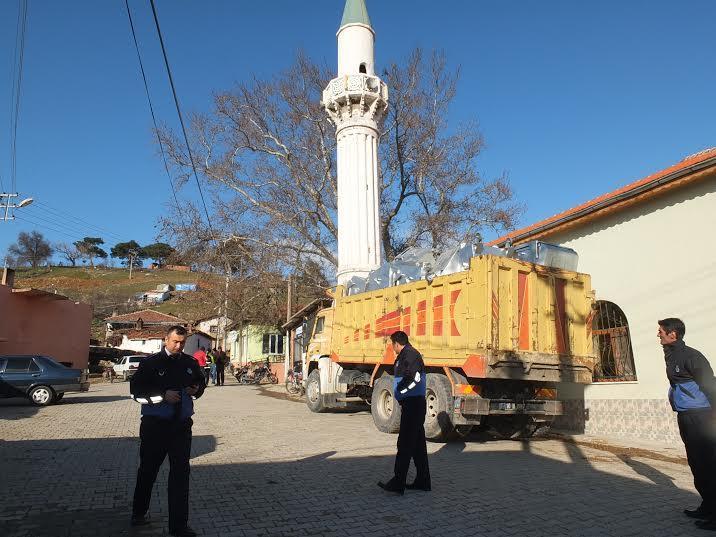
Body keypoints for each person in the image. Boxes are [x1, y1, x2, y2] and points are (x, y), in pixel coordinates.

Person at [130, 325, 205, 537]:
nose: (179, 346)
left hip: (181, 428)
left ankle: (179, 526)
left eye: (182, 342)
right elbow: (136, 393)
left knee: (180, 475)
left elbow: (200, 383)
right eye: (175, 342)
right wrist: (163, 395)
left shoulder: (190, 363)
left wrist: (196, 389)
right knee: (148, 471)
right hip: (155, 427)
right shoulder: (150, 363)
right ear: (166, 340)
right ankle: (139, 512)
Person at [659, 318, 716, 529]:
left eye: (661, 331)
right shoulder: (672, 355)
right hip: (686, 416)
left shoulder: (691, 356)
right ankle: (708, 506)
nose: (659, 335)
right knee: (696, 464)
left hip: (701, 417)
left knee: (709, 465)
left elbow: (710, 385)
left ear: (672, 334)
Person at [378, 331, 431, 495]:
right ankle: (423, 481)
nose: (392, 348)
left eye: (391, 345)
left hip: (413, 405)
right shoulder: (406, 355)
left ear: (396, 343)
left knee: (405, 443)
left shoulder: (410, 355)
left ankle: (398, 482)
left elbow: (414, 378)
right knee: (417, 446)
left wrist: (400, 392)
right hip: (412, 404)